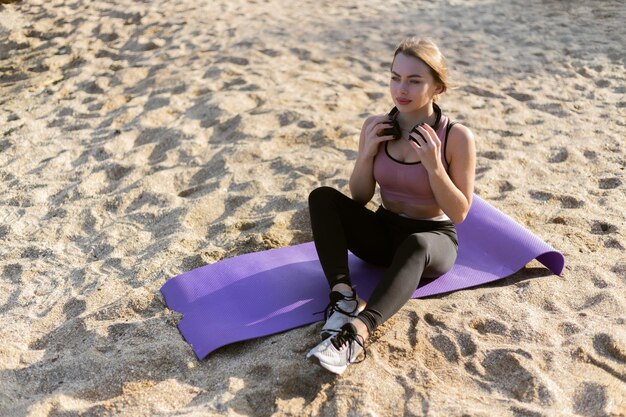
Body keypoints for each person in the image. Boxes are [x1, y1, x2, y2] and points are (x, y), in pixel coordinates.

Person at [306, 37, 476, 375]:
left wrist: (434, 166)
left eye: (415, 81)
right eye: (395, 77)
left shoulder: (456, 137)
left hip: (431, 240)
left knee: (416, 243)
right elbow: (358, 198)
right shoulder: (376, 125)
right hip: (384, 233)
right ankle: (343, 297)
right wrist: (366, 153)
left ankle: (357, 332)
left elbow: (459, 213)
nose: (402, 88)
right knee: (322, 197)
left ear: (437, 86)